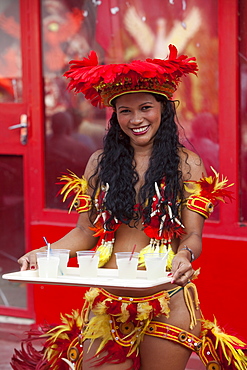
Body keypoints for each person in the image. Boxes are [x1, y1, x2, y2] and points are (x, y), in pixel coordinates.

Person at [14, 45, 247, 370]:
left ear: (163, 109)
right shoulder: (99, 163)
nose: (136, 119)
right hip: (108, 302)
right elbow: (85, 230)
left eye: (146, 108)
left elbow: (193, 236)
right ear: (115, 115)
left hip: (168, 302)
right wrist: (44, 254)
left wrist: (184, 256)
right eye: (125, 111)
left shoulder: (187, 164)